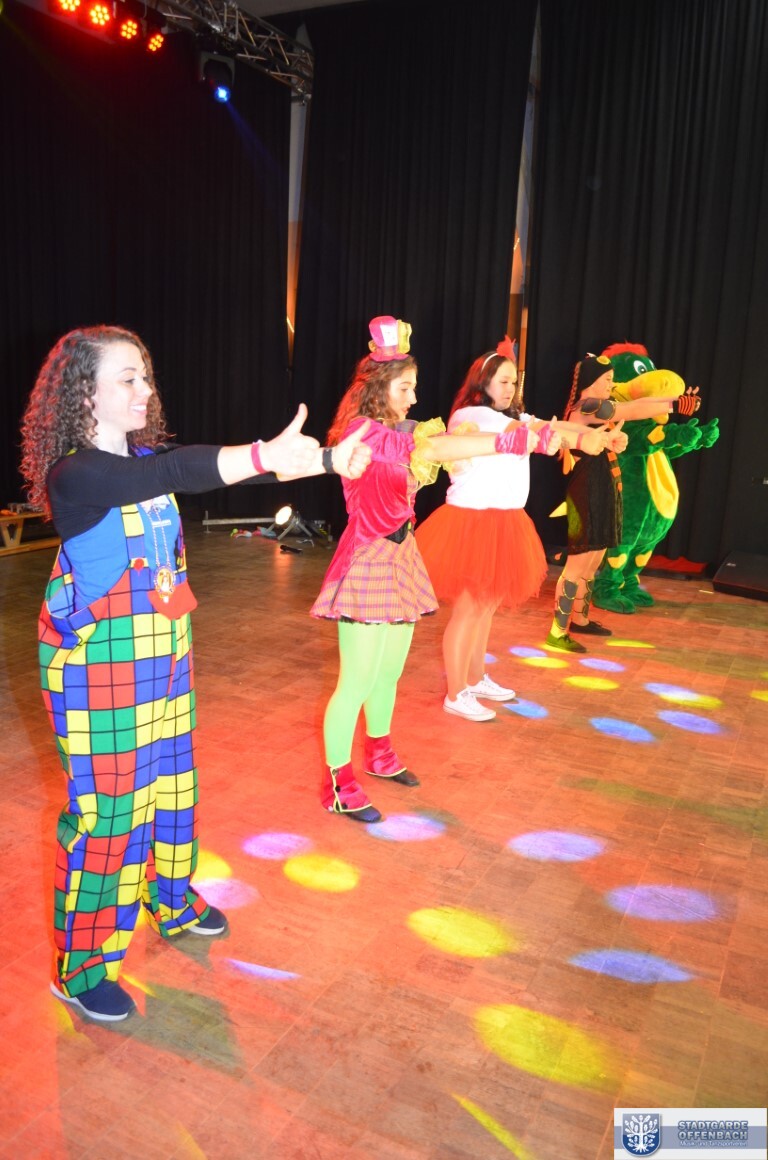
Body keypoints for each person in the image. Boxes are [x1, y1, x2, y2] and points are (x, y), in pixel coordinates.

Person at [20, 324, 372, 1024]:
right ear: (84, 393)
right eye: (128, 378)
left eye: (145, 375)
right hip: (98, 669)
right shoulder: (77, 475)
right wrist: (263, 453)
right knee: (109, 815)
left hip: (163, 657)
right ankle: (81, 967)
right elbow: (174, 473)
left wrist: (327, 458)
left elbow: (188, 474)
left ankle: (171, 900)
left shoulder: (142, 459)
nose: (145, 390)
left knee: (174, 787)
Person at [310, 318, 563, 824]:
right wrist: (509, 442)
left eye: (414, 387)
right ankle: (338, 783)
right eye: (405, 388)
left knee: (389, 673)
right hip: (366, 561)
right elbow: (434, 449)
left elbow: (443, 442)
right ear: (378, 388)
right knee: (356, 680)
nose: (414, 397)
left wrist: (530, 436)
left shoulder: (398, 429)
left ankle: (379, 753)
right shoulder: (362, 433)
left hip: (401, 556)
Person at [415, 338, 608, 721]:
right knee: (468, 611)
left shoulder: (507, 416)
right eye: (502, 381)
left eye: (513, 382)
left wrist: (588, 436)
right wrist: (579, 438)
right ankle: (456, 693)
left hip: (502, 521)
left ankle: (474, 678)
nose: (510, 388)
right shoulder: (473, 415)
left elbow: (541, 425)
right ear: (482, 382)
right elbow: (532, 431)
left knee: (485, 609)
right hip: (472, 524)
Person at [544, 352, 690, 652]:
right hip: (587, 494)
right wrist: (674, 403)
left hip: (603, 491)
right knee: (577, 566)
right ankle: (558, 631)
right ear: (591, 381)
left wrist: (614, 441)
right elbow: (632, 408)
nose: (611, 384)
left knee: (592, 563)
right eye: (607, 379)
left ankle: (580, 619)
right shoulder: (587, 406)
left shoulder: (597, 413)